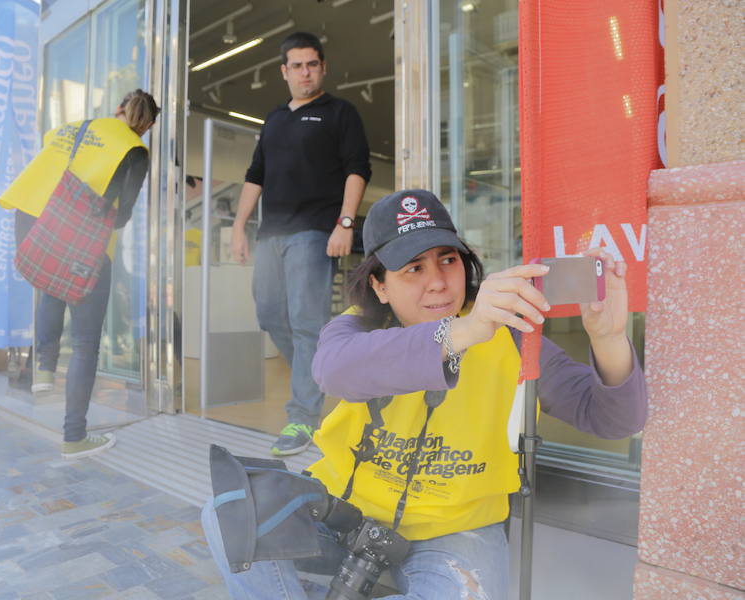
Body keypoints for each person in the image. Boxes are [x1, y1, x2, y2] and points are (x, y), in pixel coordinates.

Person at [202, 189, 648, 599]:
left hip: (457, 528)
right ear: (379, 284)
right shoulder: (358, 324)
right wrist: (464, 331)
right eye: (413, 268)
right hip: (342, 511)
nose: (437, 282)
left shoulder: (511, 334)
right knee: (226, 512)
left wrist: (608, 337)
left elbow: (611, 419)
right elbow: (333, 372)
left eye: (447, 260)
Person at [230, 31, 372, 456]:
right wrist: (239, 226)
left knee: (307, 320)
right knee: (272, 314)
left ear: (322, 68)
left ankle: (302, 419)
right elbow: (256, 175)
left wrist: (345, 223)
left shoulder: (339, 113)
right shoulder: (274, 120)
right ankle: (324, 374)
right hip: (271, 233)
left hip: (314, 230)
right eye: (297, 65)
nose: (305, 72)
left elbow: (356, 169)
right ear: (284, 71)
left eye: (312, 64)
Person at [0, 89, 160, 459]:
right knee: (87, 343)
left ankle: (42, 371)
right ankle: (75, 436)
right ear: (147, 125)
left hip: (30, 224)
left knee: (50, 285)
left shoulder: (74, 127)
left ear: (117, 108)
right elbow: (122, 214)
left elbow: (48, 164)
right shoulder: (134, 149)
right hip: (78, 239)